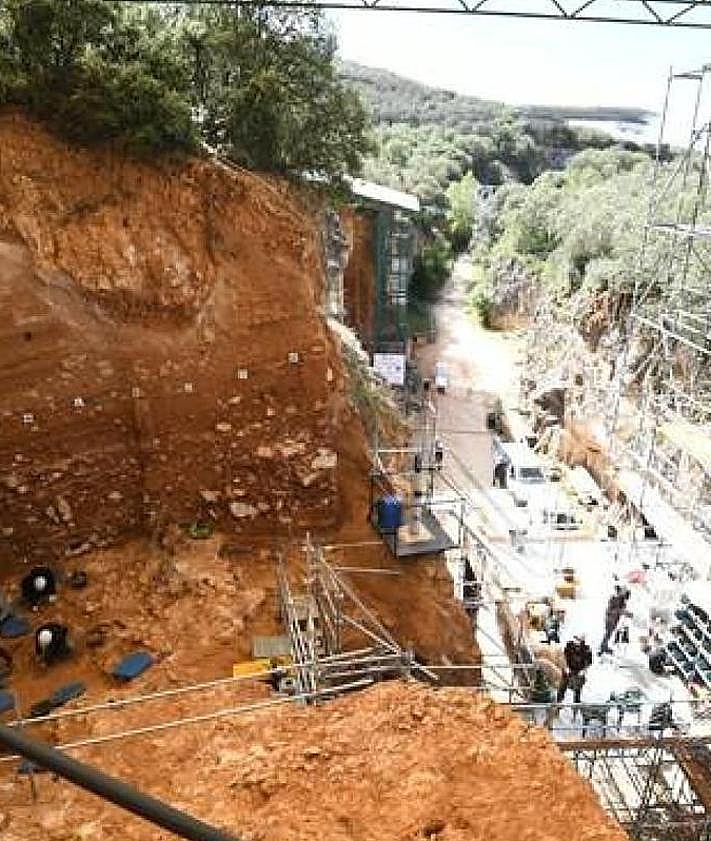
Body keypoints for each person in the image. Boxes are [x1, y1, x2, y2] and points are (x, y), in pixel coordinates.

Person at [557, 634, 593, 704]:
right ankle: (559, 700)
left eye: (579, 640)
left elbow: (588, 661)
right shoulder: (569, 646)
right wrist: (566, 667)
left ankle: (576, 701)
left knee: (578, 685)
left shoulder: (586, 649)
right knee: (563, 683)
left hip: (579, 670)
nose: (577, 642)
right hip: (569, 668)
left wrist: (584, 670)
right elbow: (564, 657)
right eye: (576, 639)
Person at [598, 585, 631, 656]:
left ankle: (604, 646)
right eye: (623, 592)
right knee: (608, 633)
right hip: (610, 618)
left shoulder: (622, 599)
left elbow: (621, 608)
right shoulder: (614, 598)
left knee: (609, 633)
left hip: (615, 618)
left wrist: (623, 610)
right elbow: (611, 610)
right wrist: (623, 612)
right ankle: (602, 647)